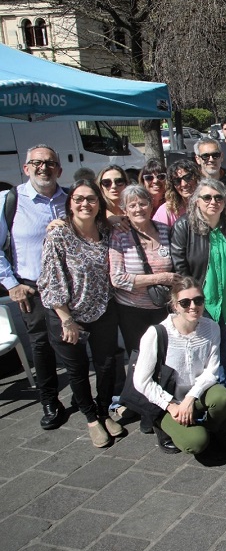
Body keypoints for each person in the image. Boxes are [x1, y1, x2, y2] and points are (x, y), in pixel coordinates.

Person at [38, 179, 124, 448]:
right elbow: (51, 279)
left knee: (107, 364)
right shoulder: (59, 234)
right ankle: (90, 418)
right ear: (70, 203)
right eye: (79, 199)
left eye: (91, 199)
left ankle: (102, 409)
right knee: (76, 369)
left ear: (99, 204)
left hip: (102, 310)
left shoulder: (106, 231)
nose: (85, 203)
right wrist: (66, 319)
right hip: (66, 314)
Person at [0, 145, 69, 430]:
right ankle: (50, 400)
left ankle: (83, 395)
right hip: (33, 287)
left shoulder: (70, 197)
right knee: (41, 345)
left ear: (59, 169)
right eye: (37, 163)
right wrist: (11, 283)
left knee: (72, 342)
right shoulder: (9, 200)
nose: (44, 168)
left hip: (69, 287)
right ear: (26, 168)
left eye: (50, 163)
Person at [133, 277, 226, 457]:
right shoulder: (157, 333)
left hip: (194, 395)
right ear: (175, 305)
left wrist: (189, 398)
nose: (193, 306)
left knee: (222, 397)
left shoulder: (211, 327)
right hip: (166, 400)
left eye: (198, 300)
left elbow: (212, 370)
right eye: (185, 302)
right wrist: (171, 405)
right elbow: (141, 381)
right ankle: (162, 426)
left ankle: (207, 427)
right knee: (196, 443)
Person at [170, 178, 226, 367]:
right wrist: (191, 302)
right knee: (203, 353)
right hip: (202, 305)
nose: (213, 202)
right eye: (207, 197)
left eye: (219, 197)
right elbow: (181, 269)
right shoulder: (184, 226)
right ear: (196, 200)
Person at [109, 184, 178, 365]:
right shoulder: (119, 235)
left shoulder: (164, 230)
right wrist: (160, 278)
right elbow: (117, 279)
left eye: (143, 203)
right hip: (132, 310)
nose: (138, 209)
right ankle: (139, 393)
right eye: (132, 206)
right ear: (124, 210)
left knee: (165, 355)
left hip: (163, 307)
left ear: (150, 205)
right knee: (140, 359)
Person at [153, 159, 199, 227]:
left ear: (197, 178)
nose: (183, 184)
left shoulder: (209, 204)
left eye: (188, 178)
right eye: (177, 181)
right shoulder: (166, 210)